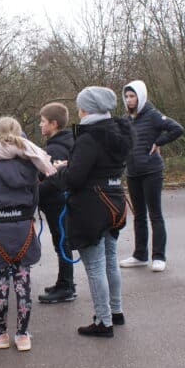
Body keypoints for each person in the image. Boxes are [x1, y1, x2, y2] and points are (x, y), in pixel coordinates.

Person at [0, 117, 55, 351]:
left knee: (0, 284)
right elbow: (35, 198)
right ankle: (23, 335)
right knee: (23, 281)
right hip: (23, 227)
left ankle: (1, 333)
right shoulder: (30, 164)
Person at [50, 87, 131, 338]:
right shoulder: (119, 131)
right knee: (110, 261)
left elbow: (75, 178)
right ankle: (115, 312)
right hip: (114, 200)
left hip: (92, 205)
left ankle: (103, 321)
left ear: (86, 108)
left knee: (95, 266)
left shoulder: (90, 137)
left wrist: (61, 170)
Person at [119, 80, 184, 272]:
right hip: (133, 172)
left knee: (155, 214)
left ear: (141, 96)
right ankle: (140, 255)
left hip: (152, 171)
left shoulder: (153, 115)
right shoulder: (127, 119)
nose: (129, 100)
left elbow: (177, 129)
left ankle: (159, 256)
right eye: (127, 97)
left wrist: (159, 142)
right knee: (138, 215)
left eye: (133, 96)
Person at [36, 102, 78, 304]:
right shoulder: (67, 141)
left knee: (62, 243)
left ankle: (66, 286)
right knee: (62, 241)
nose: (40, 125)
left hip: (57, 203)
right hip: (60, 202)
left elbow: (53, 181)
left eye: (43, 122)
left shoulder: (56, 148)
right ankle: (65, 281)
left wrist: (33, 192)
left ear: (53, 124)